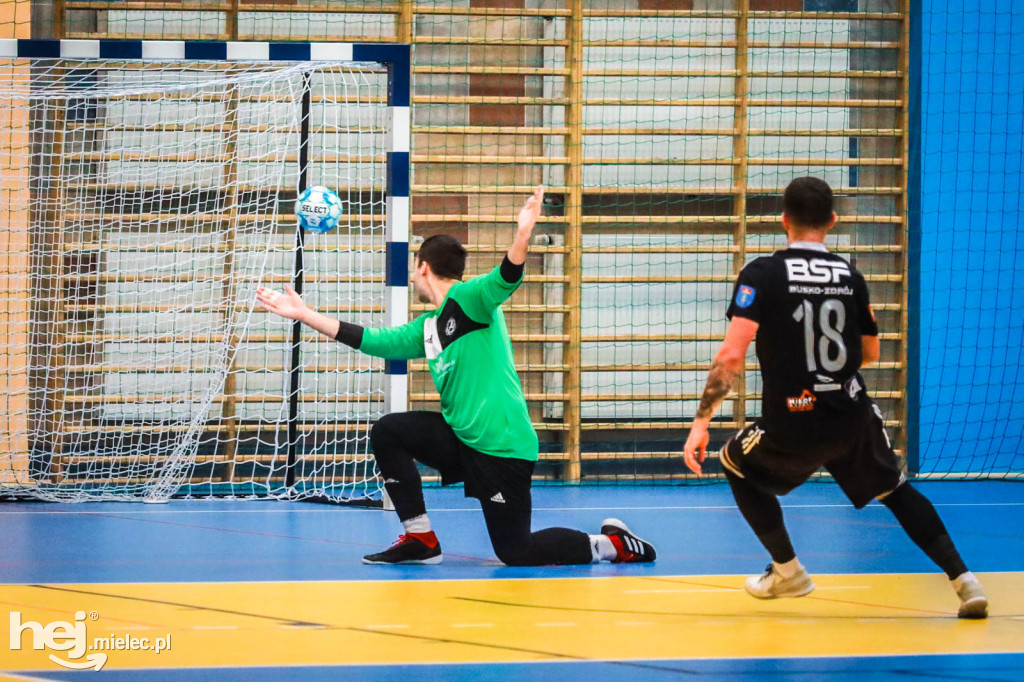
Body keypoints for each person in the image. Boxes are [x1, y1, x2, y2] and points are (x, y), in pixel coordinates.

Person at [257, 186, 655, 567]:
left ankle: (612, 545)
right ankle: (420, 539)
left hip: (502, 449)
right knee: (389, 431)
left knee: (516, 551)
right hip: (462, 440)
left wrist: (522, 235)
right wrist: (305, 315)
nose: (413, 275)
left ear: (423, 266)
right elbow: (374, 340)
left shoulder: (470, 300)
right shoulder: (428, 327)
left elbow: (506, 276)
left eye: (414, 268)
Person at [682, 177, 987, 619]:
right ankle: (965, 582)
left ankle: (788, 571)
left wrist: (701, 422)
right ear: (832, 221)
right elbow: (870, 352)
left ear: (783, 221)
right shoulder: (851, 275)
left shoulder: (762, 274)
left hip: (792, 419)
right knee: (897, 490)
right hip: (850, 414)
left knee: (734, 461)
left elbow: (731, 355)